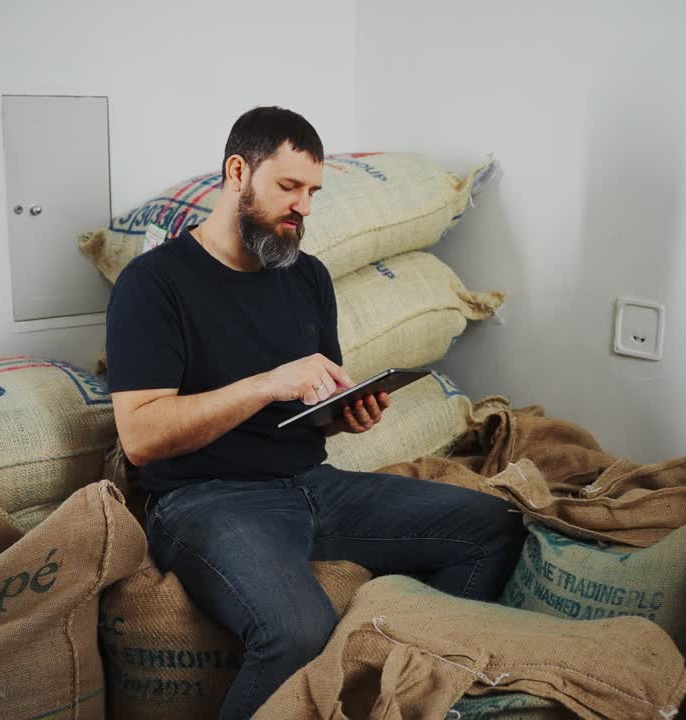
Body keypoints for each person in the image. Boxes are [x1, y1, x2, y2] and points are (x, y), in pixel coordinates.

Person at [105, 106, 527, 719]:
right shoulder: (153, 284)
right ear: (237, 173)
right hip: (205, 500)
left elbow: (310, 401)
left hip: (313, 484)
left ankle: (405, 694)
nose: (303, 206)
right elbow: (141, 436)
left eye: (312, 192)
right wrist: (266, 384)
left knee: (494, 527)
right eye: (288, 186)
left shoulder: (307, 278)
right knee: (298, 631)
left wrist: (344, 412)